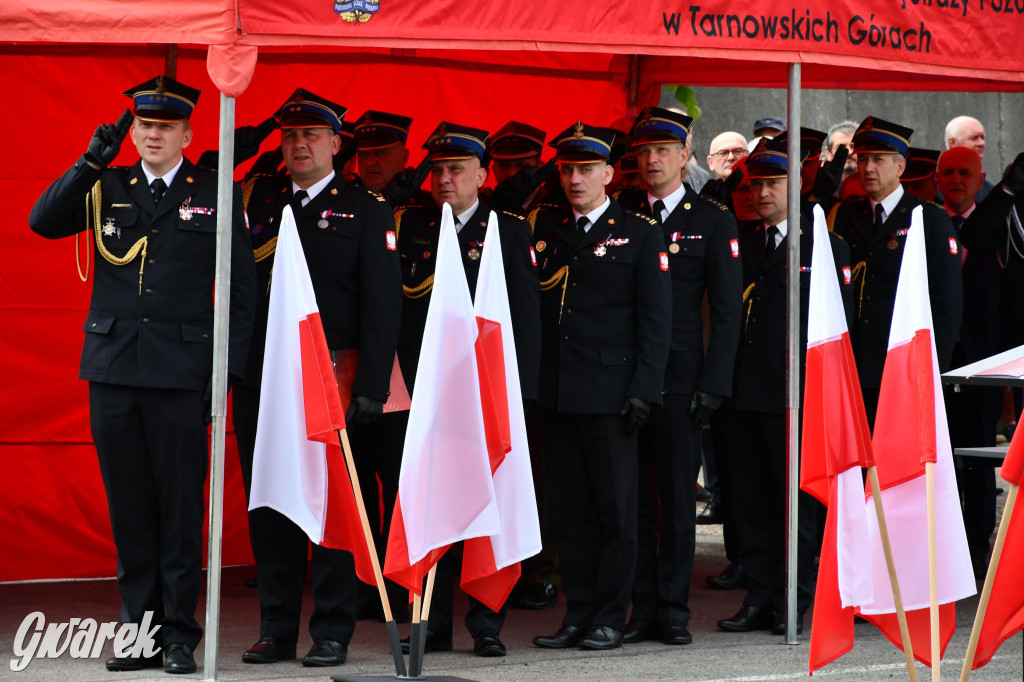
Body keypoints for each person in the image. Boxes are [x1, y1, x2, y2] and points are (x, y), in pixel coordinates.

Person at [29, 75, 257, 675]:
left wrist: (226, 371)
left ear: (187, 132)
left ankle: (180, 634)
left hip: (183, 371)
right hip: (113, 368)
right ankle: (140, 632)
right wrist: (87, 161)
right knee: (130, 505)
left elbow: (239, 292)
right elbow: (44, 222)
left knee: (180, 508)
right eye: (144, 125)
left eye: (164, 126)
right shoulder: (108, 185)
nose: (152, 134)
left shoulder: (216, 190)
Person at [238, 88, 402, 668]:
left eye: (312, 136)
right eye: (290, 136)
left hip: (334, 382)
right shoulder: (257, 203)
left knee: (335, 505)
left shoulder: (365, 209)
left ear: (337, 144)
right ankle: (276, 628)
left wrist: (372, 391)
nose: (299, 144)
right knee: (272, 504)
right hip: (265, 382)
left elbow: (384, 309)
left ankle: (332, 628)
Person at [393, 121, 541, 657]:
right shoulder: (413, 226)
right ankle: (429, 621)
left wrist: (519, 397)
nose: (444, 178)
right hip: (429, 392)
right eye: (438, 169)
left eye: (456, 169)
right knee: (436, 497)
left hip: (485, 394)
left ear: (483, 174)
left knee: (488, 504)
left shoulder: (508, 229)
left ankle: (486, 622)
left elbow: (524, 321)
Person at [530, 122, 671, 652]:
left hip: (613, 394)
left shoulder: (638, 231)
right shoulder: (545, 228)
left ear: (609, 174)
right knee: (570, 512)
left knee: (617, 513)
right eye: (567, 169)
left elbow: (655, 322)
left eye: (586, 169)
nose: (574, 178)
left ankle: (613, 615)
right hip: (560, 391)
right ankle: (579, 612)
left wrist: (644, 390)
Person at [615, 106, 742, 646]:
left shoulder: (710, 220)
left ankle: (672, 608)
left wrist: (714, 384)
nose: (650, 161)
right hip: (626, 379)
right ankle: (640, 605)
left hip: (682, 379)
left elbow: (728, 309)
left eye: (662, 151)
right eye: (643, 153)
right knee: (633, 502)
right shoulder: (620, 214)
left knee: (675, 501)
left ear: (685, 156)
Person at [716, 136, 852, 635]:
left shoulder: (824, 244)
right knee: (749, 502)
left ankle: (795, 597)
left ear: (795, 184)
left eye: (774, 183)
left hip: (795, 395)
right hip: (743, 391)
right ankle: (758, 593)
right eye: (756, 185)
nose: (763, 193)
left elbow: (842, 324)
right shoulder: (740, 240)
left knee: (793, 506)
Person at [828, 116, 962, 424]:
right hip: (855, 365)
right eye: (862, 159)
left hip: (904, 364)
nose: (868, 168)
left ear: (900, 167)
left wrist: (930, 368)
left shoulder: (927, 218)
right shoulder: (845, 216)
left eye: (878, 159)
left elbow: (946, 302)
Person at [937, 146, 1001, 578]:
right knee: (936, 457)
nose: (956, 180)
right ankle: (939, 547)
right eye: (948, 173)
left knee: (978, 459)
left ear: (981, 181)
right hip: (935, 360)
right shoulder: (922, 225)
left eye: (965, 173)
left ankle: (978, 547)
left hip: (983, 361)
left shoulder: (1001, 228)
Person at [354, 109, 431, 206]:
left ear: (403, 157)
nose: (370, 162)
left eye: (380, 153)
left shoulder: (426, 206)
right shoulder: (343, 199)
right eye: (363, 154)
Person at [945, 115, 994, 201]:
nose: (981, 143)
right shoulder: (933, 189)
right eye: (974, 138)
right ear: (953, 143)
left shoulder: (992, 192)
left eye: (982, 138)